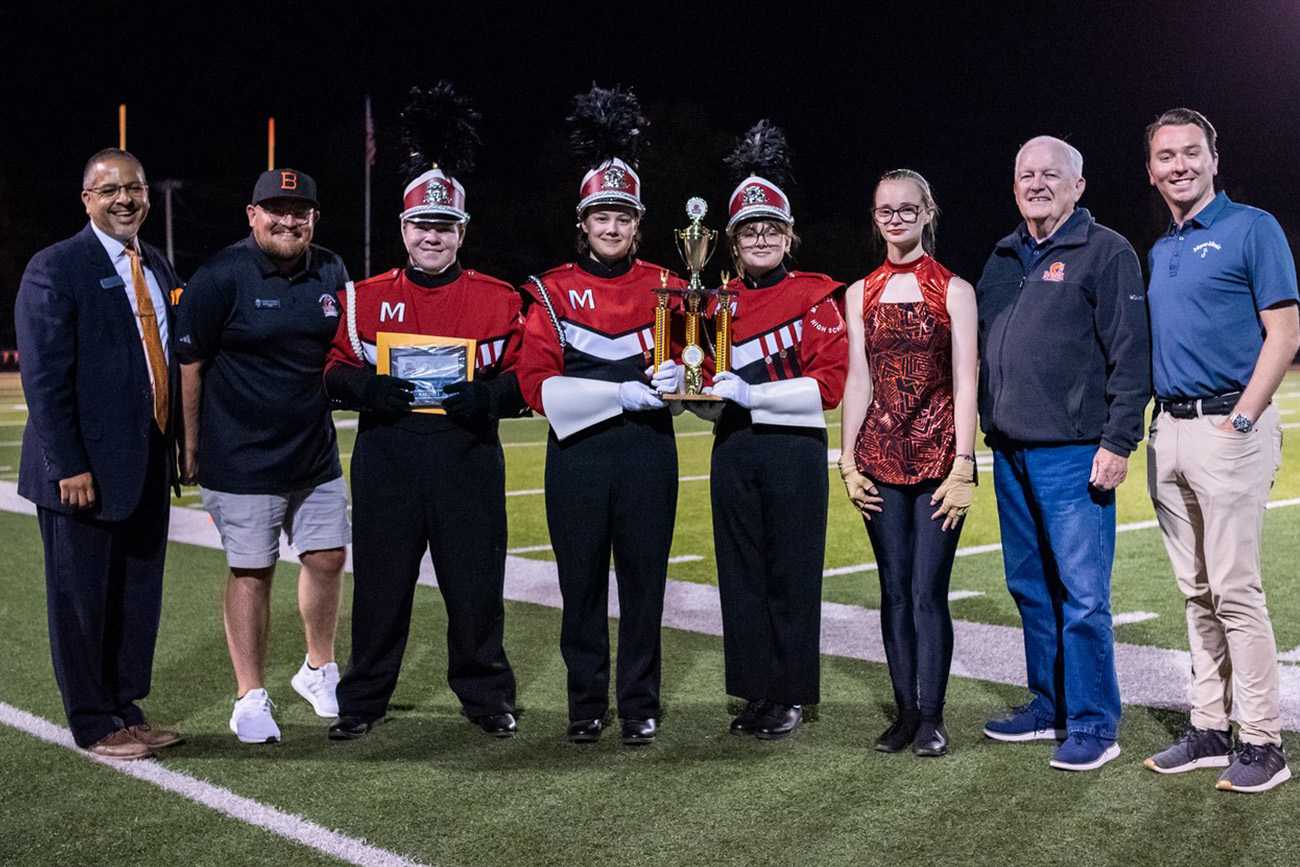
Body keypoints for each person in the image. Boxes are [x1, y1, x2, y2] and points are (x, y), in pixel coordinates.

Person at [323, 84, 524, 741]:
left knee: (474, 589)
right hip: (389, 457)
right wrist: (360, 387)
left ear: (462, 230)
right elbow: (328, 368)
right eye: (420, 225)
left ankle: (486, 694)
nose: (432, 236)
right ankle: (363, 698)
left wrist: (494, 396)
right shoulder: (363, 297)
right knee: (380, 588)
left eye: (444, 227)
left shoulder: (499, 300)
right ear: (403, 228)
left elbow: (531, 371)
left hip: (467, 457)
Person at [515, 85, 684, 746]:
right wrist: (620, 393)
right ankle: (586, 701)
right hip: (578, 454)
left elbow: (692, 375)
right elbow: (535, 386)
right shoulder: (550, 290)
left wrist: (682, 377)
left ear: (638, 224)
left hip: (648, 451)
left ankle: (639, 702)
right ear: (581, 222)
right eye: (600, 216)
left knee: (644, 585)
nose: (612, 227)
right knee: (580, 583)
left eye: (623, 217)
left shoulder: (673, 284)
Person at [976, 136, 1149, 771]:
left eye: (1052, 174)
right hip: (1010, 450)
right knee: (1031, 587)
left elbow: (1132, 354)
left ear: (1079, 186)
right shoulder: (1003, 255)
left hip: (1075, 454)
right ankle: (1047, 704)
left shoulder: (1106, 252)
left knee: (1082, 594)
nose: (1037, 183)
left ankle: (1095, 724)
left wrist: (1118, 439)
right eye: (1026, 174)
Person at [1141, 108, 1300, 793]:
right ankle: (1210, 725)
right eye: (1165, 156)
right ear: (1151, 171)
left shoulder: (1252, 227)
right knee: (1196, 592)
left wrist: (1242, 418)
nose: (1178, 165)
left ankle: (1263, 739)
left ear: (1213, 158)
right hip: (1168, 430)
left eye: (1189, 152)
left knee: (1235, 590)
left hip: (1224, 425)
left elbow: (1285, 334)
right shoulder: (1160, 248)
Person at [15, 148, 183, 759]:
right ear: (86, 199)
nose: (125, 199)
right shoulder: (56, 267)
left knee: (136, 596)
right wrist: (70, 465)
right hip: (82, 473)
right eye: (109, 189)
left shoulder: (156, 263)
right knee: (81, 601)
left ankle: (126, 708)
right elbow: (45, 380)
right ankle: (93, 719)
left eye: (134, 188)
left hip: (143, 466)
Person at [175, 169, 351, 744]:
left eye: (300, 211)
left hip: (313, 453)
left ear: (314, 219)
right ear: (252, 215)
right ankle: (250, 696)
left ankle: (317, 670)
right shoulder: (221, 275)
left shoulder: (331, 268)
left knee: (327, 558)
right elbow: (191, 363)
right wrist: (192, 445)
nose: (288, 219)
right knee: (252, 572)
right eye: (275, 208)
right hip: (242, 456)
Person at [703, 121, 847, 740]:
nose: (760, 238)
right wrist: (687, 390)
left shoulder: (817, 295)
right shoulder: (708, 304)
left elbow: (830, 387)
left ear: (789, 237)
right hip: (732, 448)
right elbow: (706, 393)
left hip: (792, 450)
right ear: (733, 242)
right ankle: (755, 690)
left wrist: (753, 394)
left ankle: (789, 695)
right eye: (748, 230)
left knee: (791, 573)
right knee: (741, 574)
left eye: (771, 228)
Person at [839, 169, 978, 757]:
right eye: (885, 211)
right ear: (876, 218)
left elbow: (967, 380)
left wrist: (965, 464)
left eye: (906, 209)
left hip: (940, 460)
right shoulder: (858, 293)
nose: (895, 219)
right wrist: (847, 463)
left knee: (927, 592)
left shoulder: (954, 289)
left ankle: (932, 716)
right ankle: (902, 714)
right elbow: (858, 381)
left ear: (927, 213)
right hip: (877, 461)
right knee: (893, 591)